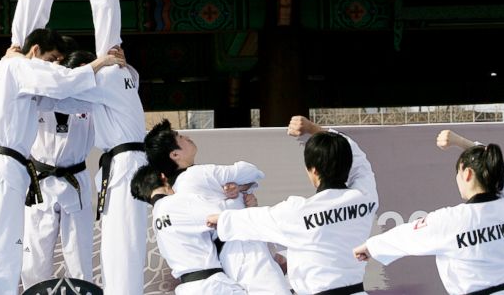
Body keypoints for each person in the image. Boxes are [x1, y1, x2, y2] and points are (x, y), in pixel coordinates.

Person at [0, 29, 123, 295]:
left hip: (74, 180)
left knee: (79, 258)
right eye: (53, 60)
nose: (54, 66)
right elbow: (58, 81)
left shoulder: (86, 99)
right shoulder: (32, 91)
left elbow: (113, 92)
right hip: (40, 182)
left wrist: (117, 70)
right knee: (34, 260)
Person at [207, 116, 378, 295]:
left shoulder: (298, 212)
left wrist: (220, 218)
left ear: (313, 170)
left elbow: (256, 219)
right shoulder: (365, 197)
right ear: (347, 164)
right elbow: (359, 160)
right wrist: (313, 128)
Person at [354, 130, 504, 295]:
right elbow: (500, 169)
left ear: (467, 174)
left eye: (457, 173)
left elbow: (408, 236)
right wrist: (460, 142)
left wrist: (370, 246)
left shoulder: (454, 220)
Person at [145, 118, 291, 295]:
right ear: (175, 155)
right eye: (180, 137)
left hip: (224, 258)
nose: (186, 137)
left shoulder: (176, 192)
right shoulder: (200, 173)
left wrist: (240, 189)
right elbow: (251, 171)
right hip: (244, 247)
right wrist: (241, 187)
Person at [48, 57, 149, 295]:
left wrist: (116, 64)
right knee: (112, 246)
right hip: (52, 176)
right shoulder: (95, 93)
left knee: (114, 247)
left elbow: (61, 99)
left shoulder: (104, 82)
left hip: (110, 170)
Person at [21, 49, 98, 289]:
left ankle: (83, 291)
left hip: (75, 179)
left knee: (79, 251)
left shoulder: (94, 101)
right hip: (41, 180)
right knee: (35, 254)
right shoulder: (39, 98)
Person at [132, 164, 248, 294]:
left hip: (190, 287)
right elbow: (225, 214)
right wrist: (240, 196)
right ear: (163, 177)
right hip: (211, 286)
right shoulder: (177, 202)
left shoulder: (156, 217)